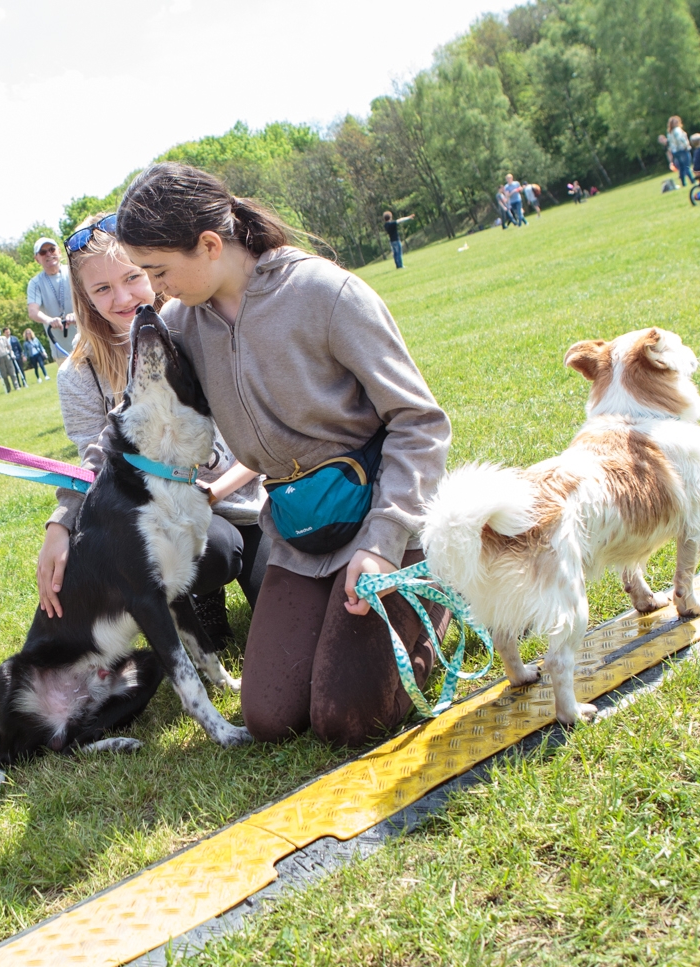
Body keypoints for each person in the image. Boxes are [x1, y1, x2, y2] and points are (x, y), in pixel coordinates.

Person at [115, 162, 452, 748]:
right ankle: (346, 620)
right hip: (300, 532)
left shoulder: (325, 293)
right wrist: (70, 500)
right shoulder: (181, 324)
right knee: (271, 717)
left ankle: (443, 582)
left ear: (210, 245)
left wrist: (383, 541)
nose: (155, 287)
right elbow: (136, 411)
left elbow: (419, 422)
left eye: (158, 270)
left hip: (381, 519)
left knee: (346, 718)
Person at [36, 213, 268, 653]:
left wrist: (215, 491)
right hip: (172, 523)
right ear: (83, 298)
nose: (122, 297)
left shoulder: (199, 324)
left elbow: (258, 433)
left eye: (133, 277)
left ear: (153, 268)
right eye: (102, 288)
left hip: (246, 497)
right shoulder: (79, 375)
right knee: (216, 549)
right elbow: (95, 458)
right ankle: (200, 598)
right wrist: (60, 523)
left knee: (291, 637)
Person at [26, 236, 78, 358]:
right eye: (43, 252)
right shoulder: (35, 283)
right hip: (61, 351)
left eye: (52, 249)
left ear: (59, 251)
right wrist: (49, 320)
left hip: (88, 340)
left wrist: (78, 315)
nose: (49, 254)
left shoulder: (74, 271)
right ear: (37, 259)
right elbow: (33, 312)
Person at [0, 327, 17, 392]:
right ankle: (8, 389)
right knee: (4, 375)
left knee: (12, 372)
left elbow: (9, 347)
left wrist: (12, 354)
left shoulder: (3, 338)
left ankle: (16, 386)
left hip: (6, 356)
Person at [667, 117, 694, 186]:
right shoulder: (677, 130)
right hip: (682, 149)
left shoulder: (670, 132)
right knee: (687, 166)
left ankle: (683, 183)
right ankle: (692, 180)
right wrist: (686, 145)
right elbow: (680, 139)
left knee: (681, 168)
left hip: (675, 151)